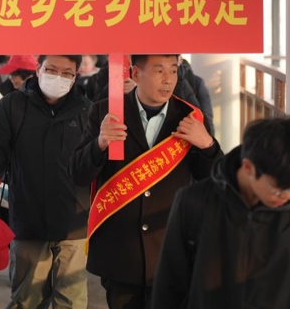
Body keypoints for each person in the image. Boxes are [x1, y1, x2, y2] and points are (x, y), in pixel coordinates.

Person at [70, 54, 222, 309]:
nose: (168, 80)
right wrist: (99, 144)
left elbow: (216, 181)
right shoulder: (105, 112)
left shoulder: (189, 117)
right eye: (159, 70)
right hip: (120, 253)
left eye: (173, 71)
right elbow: (77, 174)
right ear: (136, 74)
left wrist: (208, 145)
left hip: (170, 250)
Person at [152, 116, 290, 309]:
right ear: (248, 167)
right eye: (280, 190)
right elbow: (169, 289)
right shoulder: (194, 202)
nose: (289, 197)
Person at [0, 55, 92, 309]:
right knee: (27, 299)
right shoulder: (11, 107)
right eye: (51, 69)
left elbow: (95, 163)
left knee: (72, 301)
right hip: (28, 220)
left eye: (66, 73)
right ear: (38, 69)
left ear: (75, 76)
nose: (58, 77)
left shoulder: (86, 110)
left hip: (75, 223)